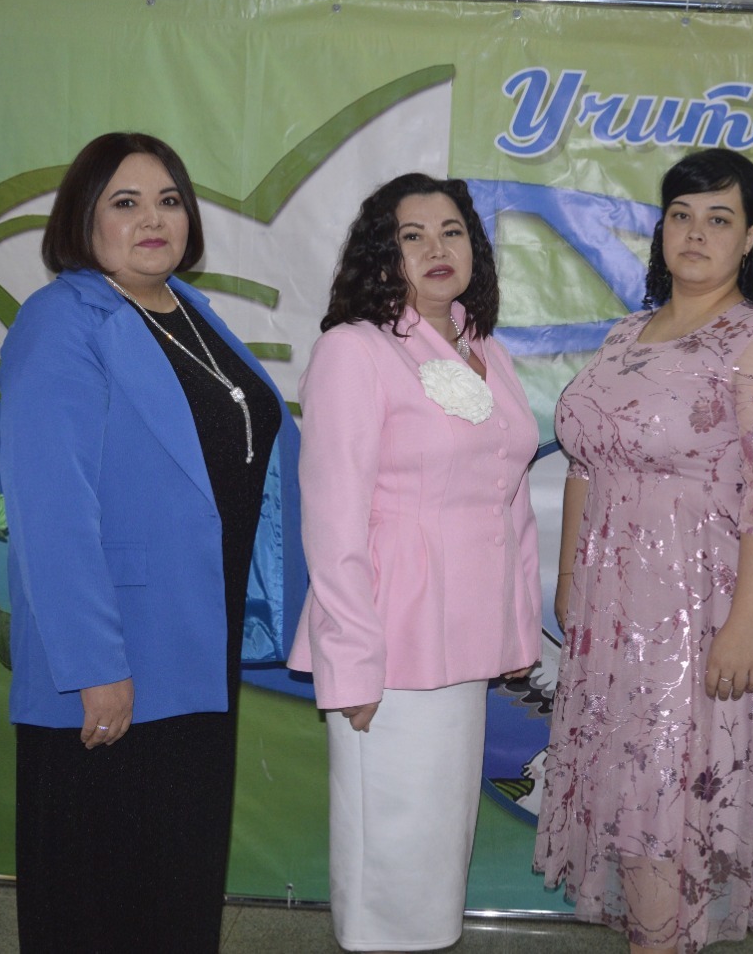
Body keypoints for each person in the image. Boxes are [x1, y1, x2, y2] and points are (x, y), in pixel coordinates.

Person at [0, 132, 303, 953]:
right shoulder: (61, 321)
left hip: (194, 647)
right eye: (125, 202)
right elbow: (51, 510)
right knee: (99, 893)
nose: (153, 219)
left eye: (169, 200)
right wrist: (96, 667)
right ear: (82, 219)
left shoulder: (187, 309)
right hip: (112, 663)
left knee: (177, 881)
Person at [535, 148, 753, 954]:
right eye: (682, 215)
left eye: (719, 219)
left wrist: (744, 623)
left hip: (701, 614)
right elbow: (585, 462)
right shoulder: (627, 334)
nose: (696, 233)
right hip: (613, 613)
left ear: (750, 237)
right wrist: (569, 578)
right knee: (630, 808)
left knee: (666, 812)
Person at [287, 173, 541, 953]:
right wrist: (352, 662)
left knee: (436, 845)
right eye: (413, 234)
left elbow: (511, 500)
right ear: (382, 253)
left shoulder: (483, 348)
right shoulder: (354, 349)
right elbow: (332, 519)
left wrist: (517, 628)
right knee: (389, 847)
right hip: (390, 639)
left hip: (464, 641)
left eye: (452, 231)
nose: (437, 247)